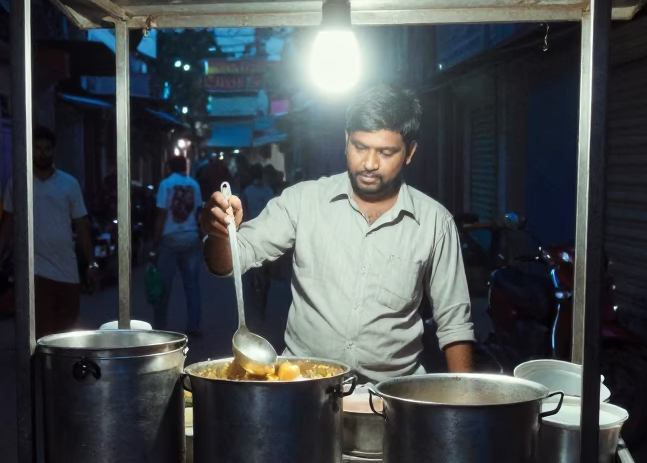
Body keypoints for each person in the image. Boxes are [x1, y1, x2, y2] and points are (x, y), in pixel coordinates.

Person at [202, 84, 474, 383]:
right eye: (360, 147)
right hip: (304, 388)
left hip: (391, 396)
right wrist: (219, 234)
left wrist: (465, 406)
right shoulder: (303, 201)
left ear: (410, 152)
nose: (369, 164)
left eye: (386, 152)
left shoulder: (436, 223)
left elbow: (455, 324)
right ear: (346, 140)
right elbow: (229, 261)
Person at [0, 125, 99, 338]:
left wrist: (91, 262)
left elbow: (82, 226)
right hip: (35, 272)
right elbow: (8, 223)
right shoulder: (18, 184)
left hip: (67, 270)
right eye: (38, 148)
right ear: (31, 150)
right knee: (42, 335)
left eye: (47, 148)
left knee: (67, 333)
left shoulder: (69, 184)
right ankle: (42, 372)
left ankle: (61, 371)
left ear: (53, 151)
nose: (42, 153)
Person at [149, 155, 204, 336]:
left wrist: (154, 243)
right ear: (185, 166)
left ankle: (160, 327)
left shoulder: (165, 185)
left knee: (164, 285)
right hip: (190, 236)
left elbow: (161, 215)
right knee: (192, 285)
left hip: (170, 238)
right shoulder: (194, 185)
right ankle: (193, 325)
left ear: (169, 167)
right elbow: (198, 213)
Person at [242, 165, 276, 318]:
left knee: (251, 271)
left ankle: (251, 307)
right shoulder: (269, 191)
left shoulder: (247, 191)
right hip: (268, 236)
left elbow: (245, 213)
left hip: (251, 234)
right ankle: (262, 306)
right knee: (266, 274)